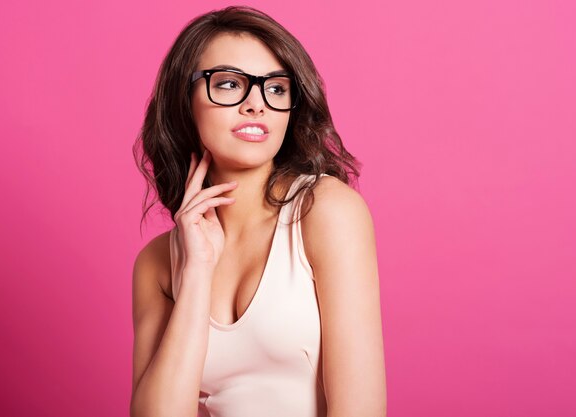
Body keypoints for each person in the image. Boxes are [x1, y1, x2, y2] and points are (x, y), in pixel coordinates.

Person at [130, 6, 386, 417]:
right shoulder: (158, 264)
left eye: (276, 88)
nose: (257, 104)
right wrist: (196, 271)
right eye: (230, 84)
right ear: (185, 100)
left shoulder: (326, 213)